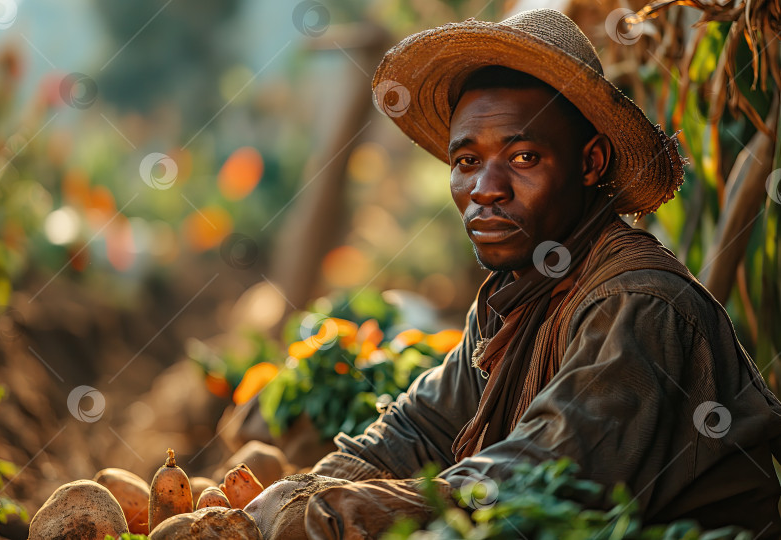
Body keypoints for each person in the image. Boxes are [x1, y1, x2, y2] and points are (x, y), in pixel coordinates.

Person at [246, 8, 781, 538]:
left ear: (590, 163)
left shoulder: (640, 306)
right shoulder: (515, 296)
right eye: (467, 162)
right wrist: (295, 497)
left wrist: (333, 518)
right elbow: (419, 429)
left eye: (523, 157)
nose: (485, 189)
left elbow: (536, 478)